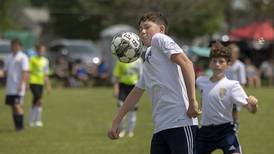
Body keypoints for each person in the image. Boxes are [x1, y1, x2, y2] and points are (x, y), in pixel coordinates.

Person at [108, 12, 200, 154]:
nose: (142, 31)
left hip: (180, 122)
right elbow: (136, 91)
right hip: (161, 127)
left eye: (147, 27)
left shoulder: (159, 39)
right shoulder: (149, 54)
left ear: (161, 29)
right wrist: (117, 120)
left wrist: (192, 100)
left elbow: (186, 63)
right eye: (140, 29)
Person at [196, 42, 258, 154]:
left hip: (225, 131)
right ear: (210, 63)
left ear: (227, 64)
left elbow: (251, 110)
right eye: (214, 61)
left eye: (221, 61)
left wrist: (253, 105)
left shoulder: (233, 85)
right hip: (205, 131)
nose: (217, 64)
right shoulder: (201, 81)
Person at [4, 38, 29, 131]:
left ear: (19, 46)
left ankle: (21, 127)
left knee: (17, 105)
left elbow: (25, 72)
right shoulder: (8, 57)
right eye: (12, 45)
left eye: (15, 45)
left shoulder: (23, 57)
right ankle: (16, 126)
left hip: (18, 86)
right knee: (12, 106)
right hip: (10, 87)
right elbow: (5, 72)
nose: (13, 47)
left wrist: (22, 84)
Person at [113, 58, 142, 138]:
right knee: (120, 109)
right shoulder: (120, 60)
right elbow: (117, 76)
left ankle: (130, 131)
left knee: (133, 111)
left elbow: (141, 76)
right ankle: (122, 130)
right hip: (123, 87)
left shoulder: (138, 61)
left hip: (134, 87)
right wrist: (116, 88)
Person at [28, 44, 51, 127]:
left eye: (43, 50)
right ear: (37, 51)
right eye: (40, 50)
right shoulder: (32, 59)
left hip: (41, 83)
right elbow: (28, 72)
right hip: (33, 82)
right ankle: (34, 120)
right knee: (38, 99)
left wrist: (48, 85)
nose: (42, 52)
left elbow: (46, 74)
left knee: (36, 101)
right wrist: (27, 83)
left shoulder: (45, 61)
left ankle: (35, 120)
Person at [225, 43, 246, 130]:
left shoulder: (240, 66)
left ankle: (235, 126)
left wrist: (240, 94)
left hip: (235, 91)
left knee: (234, 110)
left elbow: (242, 80)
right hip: (225, 91)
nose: (230, 55)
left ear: (237, 55)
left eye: (232, 53)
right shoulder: (225, 64)